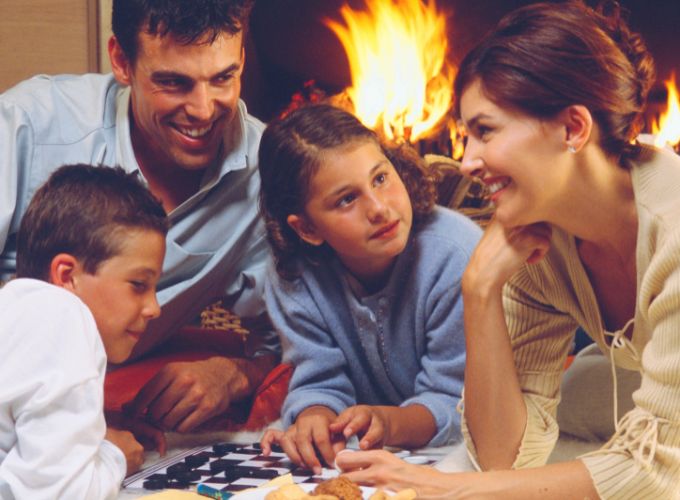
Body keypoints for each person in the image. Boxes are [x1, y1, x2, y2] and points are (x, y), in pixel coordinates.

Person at [336, 1, 680, 498]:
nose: (466, 161)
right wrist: (479, 290)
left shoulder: (671, 232)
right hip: (635, 376)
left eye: (485, 131)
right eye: (463, 135)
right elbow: (504, 456)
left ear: (572, 129)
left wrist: (449, 489)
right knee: (582, 397)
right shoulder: (539, 235)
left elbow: (659, 471)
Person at [0, 0, 279, 433]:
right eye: (173, 82)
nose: (204, 110)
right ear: (121, 61)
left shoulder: (268, 175)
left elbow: (302, 344)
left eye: (223, 78)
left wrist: (235, 375)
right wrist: (71, 435)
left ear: (242, 57)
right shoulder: (28, 124)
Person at [257, 104, 482, 474]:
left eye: (380, 178)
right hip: (374, 448)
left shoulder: (454, 255)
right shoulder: (292, 275)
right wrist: (315, 414)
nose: (379, 208)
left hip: (452, 445)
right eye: (347, 199)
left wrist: (387, 422)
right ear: (307, 229)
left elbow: (459, 404)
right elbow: (317, 378)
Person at [0, 164, 167, 499]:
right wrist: (115, 455)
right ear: (67, 276)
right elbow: (59, 495)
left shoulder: (15, 307)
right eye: (138, 284)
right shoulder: (62, 314)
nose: (154, 308)